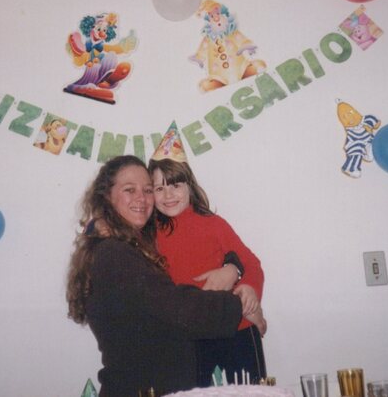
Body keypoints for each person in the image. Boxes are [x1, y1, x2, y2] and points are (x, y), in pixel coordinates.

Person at [66, 155, 266, 396]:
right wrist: (241, 305)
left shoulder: (136, 240)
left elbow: (248, 260)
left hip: (218, 340)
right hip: (146, 382)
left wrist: (234, 270)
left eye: (147, 190)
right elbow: (177, 305)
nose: (142, 198)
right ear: (106, 196)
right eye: (130, 189)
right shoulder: (118, 251)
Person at [148, 122, 267, 386]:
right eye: (159, 188)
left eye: (175, 185)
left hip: (236, 330)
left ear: (189, 186)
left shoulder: (213, 224)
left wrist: (249, 290)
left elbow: (250, 263)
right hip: (188, 336)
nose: (168, 195)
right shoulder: (150, 233)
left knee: (250, 391)